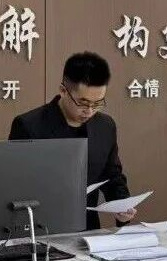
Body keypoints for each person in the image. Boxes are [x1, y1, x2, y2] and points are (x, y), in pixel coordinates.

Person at [9, 52, 136, 230]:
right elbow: (15, 184)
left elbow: (112, 175)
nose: (89, 111)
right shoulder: (29, 125)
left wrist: (122, 205)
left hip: (88, 229)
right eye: (83, 103)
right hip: (41, 229)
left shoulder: (105, 126)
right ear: (63, 91)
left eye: (97, 103)